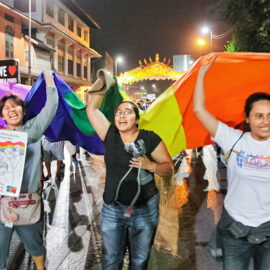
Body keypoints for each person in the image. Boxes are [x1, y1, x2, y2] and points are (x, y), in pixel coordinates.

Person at [86, 70, 173, 270]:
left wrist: (151, 165)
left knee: (139, 261)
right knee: (110, 262)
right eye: (118, 112)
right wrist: (103, 81)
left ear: (136, 119)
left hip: (145, 210)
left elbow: (168, 168)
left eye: (128, 111)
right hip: (112, 210)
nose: (122, 114)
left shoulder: (150, 138)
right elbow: (91, 109)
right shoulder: (110, 135)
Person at [193, 56, 270, 270]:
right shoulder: (232, 138)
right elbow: (199, 110)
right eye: (259, 116)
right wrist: (201, 74)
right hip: (235, 229)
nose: (265, 121)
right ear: (247, 118)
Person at [0, 71, 58, 270]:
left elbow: (50, 108)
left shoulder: (32, 130)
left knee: (34, 245)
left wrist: (49, 81)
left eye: (15, 105)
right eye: (6, 108)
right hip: (2, 203)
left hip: (27, 203)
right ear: (2, 115)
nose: (11, 109)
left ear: (23, 111)